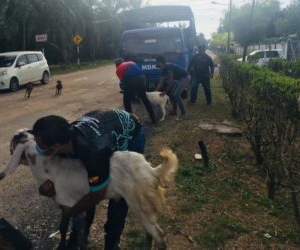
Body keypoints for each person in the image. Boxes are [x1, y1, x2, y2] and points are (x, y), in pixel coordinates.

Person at [32, 109, 145, 250]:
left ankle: (112, 242)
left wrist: (70, 212)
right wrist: (50, 184)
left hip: (131, 133)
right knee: (87, 186)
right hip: (106, 127)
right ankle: (79, 238)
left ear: (55, 147)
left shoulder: (93, 152)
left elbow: (96, 195)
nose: (38, 150)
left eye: (40, 146)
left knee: (121, 193)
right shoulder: (64, 139)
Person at [115, 58, 157, 124]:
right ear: (123, 62)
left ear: (116, 65)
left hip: (130, 80)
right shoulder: (131, 62)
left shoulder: (118, 69)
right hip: (142, 78)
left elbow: (123, 83)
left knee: (126, 100)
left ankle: (131, 120)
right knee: (144, 98)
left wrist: (130, 93)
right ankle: (153, 118)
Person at [155, 55, 190, 120]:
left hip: (185, 78)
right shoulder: (163, 70)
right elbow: (161, 82)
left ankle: (184, 114)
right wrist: (155, 91)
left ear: (160, 62)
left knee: (176, 94)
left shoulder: (168, 67)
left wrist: (165, 91)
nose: (156, 64)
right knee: (171, 94)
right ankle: (174, 112)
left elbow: (171, 81)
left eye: (156, 62)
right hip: (179, 80)